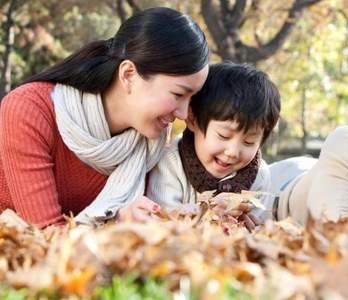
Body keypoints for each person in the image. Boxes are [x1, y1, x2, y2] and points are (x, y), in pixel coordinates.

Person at [0, 7, 209, 228]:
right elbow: (45, 234)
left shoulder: (150, 143)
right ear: (129, 75)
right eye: (178, 95)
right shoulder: (30, 110)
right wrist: (114, 226)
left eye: (191, 99)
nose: (183, 114)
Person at [147, 62, 281, 228]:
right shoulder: (170, 162)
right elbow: (161, 219)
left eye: (249, 142)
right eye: (223, 136)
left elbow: (260, 226)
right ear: (192, 119)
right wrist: (207, 212)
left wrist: (248, 228)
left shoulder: (259, 175)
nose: (232, 152)